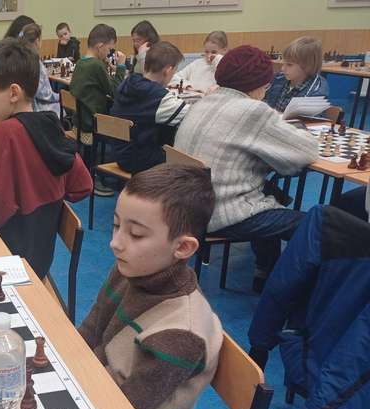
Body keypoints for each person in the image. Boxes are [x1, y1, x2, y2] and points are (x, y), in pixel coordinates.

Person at [77, 164, 222, 409]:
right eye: (116, 225)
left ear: (183, 248)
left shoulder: (181, 335)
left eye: (136, 234)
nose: (115, 243)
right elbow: (88, 334)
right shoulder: (130, 270)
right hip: (95, 396)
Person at [174, 46, 318, 291]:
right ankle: (287, 289)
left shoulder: (204, 101)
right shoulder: (253, 110)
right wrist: (295, 129)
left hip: (186, 204)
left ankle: (265, 270)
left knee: (271, 195)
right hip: (219, 213)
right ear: (258, 85)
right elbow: (307, 151)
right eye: (266, 86)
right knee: (313, 224)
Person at [0, 38, 92, 279]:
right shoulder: (51, 124)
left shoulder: (7, 132)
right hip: (41, 259)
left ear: (14, 93)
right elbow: (83, 186)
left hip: (11, 261)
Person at [110, 42, 189, 174]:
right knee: (187, 159)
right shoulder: (156, 96)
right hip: (140, 158)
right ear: (168, 71)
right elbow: (192, 115)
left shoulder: (129, 82)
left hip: (121, 152)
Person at [69, 23, 126, 197]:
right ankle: (99, 176)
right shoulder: (96, 66)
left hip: (79, 121)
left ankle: (90, 173)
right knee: (126, 131)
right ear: (100, 46)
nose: (109, 53)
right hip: (92, 124)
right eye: (109, 49)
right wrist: (121, 67)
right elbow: (115, 92)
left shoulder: (81, 63)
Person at [264, 36, 329, 113]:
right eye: (283, 63)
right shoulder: (278, 78)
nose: (282, 69)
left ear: (307, 66)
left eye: (289, 65)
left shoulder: (316, 91)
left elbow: (309, 119)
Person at [19, 24, 61, 117]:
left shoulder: (21, 59)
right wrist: (60, 96)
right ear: (37, 41)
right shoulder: (35, 63)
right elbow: (42, 94)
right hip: (40, 109)